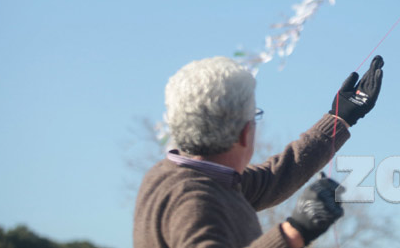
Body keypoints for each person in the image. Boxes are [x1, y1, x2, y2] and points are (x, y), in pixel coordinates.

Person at [133, 55, 384, 248]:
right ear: (244, 132)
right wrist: (294, 232)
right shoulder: (195, 201)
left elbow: (275, 177)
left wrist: (340, 118)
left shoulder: (180, 176)